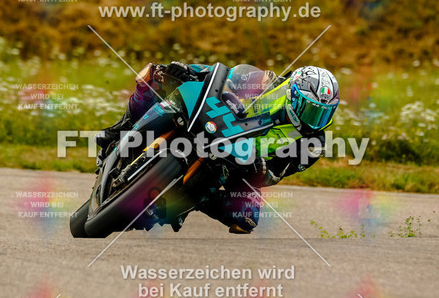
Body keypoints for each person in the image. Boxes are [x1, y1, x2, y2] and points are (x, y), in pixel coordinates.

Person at [95, 62, 340, 234]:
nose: (314, 120)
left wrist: (260, 167)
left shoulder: (314, 143)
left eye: (323, 113)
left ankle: (177, 203)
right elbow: (220, 76)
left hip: (245, 162)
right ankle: (119, 131)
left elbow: (277, 172)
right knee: (153, 76)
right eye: (311, 110)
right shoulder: (268, 83)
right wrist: (187, 70)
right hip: (221, 122)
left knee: (245, 218)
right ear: (294, 95)